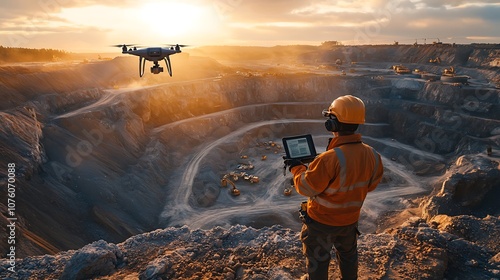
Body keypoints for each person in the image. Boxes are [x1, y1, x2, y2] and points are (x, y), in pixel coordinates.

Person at [284, 95, 384, 280]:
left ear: (333, 124)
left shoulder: (329, 159)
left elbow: (305, 188)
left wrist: (296, 167)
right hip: (349, 222)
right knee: (348, 257)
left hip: (321, 224)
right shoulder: (373, 155)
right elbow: (369, 186)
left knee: (318, 262)